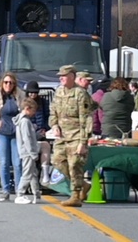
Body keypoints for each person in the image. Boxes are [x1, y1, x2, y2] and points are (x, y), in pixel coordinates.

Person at [50, 65, 95, 207]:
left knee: (74, 164)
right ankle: (83, 184)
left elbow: (86, 118)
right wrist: (54, 125)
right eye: (60, 76)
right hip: (62, 135)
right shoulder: (58, 92)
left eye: (63, 76)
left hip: (76, 135)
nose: (60, 78)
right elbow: (53, 112)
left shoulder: (80, 93)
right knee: (58, 162)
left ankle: (75, 195)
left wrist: (83, 141)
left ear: (71, 76)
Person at [0, 72, 26, 200]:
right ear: (2, 83)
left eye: (11, 82)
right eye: (6, 82)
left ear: (14, 84)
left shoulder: (20, 96)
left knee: (17, 163)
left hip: (17, 133)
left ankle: (19, 191)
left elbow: (26, 111)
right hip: (2, 134)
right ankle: (5, 190)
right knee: (4, 162)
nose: (8, 85)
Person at [14, 98, 42, 204]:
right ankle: (20, 194)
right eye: (33, 110)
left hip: (26, 151)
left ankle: (36, 194)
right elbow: (27, 138)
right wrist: (33, 153)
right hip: (27, 152)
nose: (34, 113)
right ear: (27, 109)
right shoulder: (25, 121)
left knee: (33, 173)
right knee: (27, 173)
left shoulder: (22, 120)